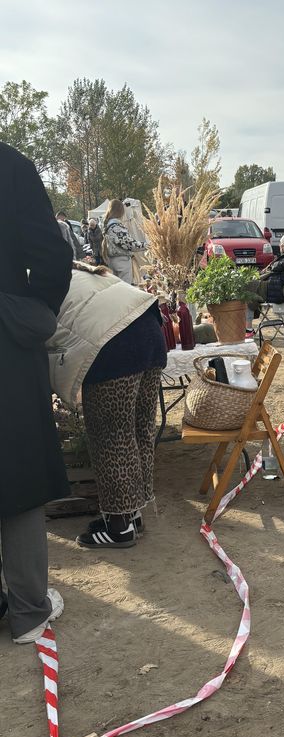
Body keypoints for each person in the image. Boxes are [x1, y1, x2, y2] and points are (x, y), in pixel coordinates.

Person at [0, 142, 72, 644]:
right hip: (4, 339)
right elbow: (51, 255)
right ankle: (28, 611)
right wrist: (28, 312)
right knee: (17, 463)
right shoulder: (10, 167)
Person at [47, 264, 167, 549]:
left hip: (114, 347)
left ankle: (118, 527)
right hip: (149, 330)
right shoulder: (78, 269)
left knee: (111, 437)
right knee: (139, 431)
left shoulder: (34, 283)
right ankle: (133, 514)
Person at [102, 199, 146, 284]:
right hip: (121, 262)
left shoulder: (107, 224)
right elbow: (129, 244)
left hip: (113, 260)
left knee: (117, 287)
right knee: (124, 288)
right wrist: (147, 245)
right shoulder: (116, 226)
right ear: (120, 211)